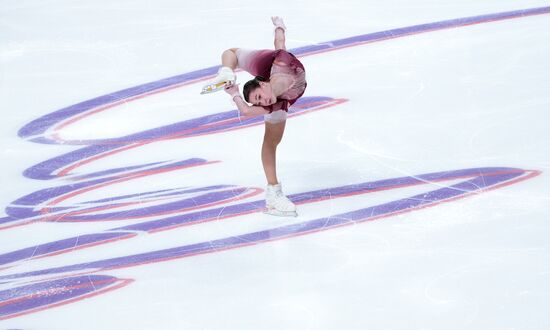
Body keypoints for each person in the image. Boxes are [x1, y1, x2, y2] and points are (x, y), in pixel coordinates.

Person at [203, 16, 307, 217]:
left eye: (259, 97)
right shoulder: (273, 104)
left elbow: (280, 43)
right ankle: (274, 194)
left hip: (268, 68)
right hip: (283, 97)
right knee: (271, 143)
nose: (262, 102)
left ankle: (227, 69)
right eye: (258, 102)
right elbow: (247, 111)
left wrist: (279, 26)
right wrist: (233, 94)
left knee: (233, 53)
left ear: (263, 83)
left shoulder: (280, 62)